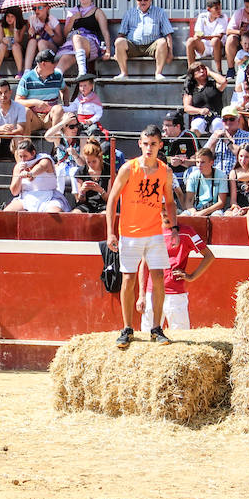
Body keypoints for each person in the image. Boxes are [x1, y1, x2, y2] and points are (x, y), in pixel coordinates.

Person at [106, 125, 178, 348]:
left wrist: (173, 228)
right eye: (145, 144)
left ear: (160, 145)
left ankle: (156, 328)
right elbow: (112, 200)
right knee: (128, 280)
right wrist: (110, 231)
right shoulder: (129, 168)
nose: (149, 148)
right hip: (129, 233)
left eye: (153, 144)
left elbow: (170, 201)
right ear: (140, 144)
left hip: (155, 232)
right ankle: (127, 328)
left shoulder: (165, 171)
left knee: (158, 280)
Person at [135, 223, 213, 333]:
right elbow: (144, 264)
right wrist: (141, 295)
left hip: (175, 294)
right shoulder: (150, 230)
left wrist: (192, 276)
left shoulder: (187, 232)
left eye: (168, 208)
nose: (165, 212)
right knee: (148, 336)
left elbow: (209, 256)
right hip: (152, 293)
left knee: (181, 337)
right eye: (162, 208)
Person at [114, 0, 174, 81]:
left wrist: (170, 53)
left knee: (162, 42)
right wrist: (116, 51)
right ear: (136, 0)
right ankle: (124, 73)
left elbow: (168, 34)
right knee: (119, 41)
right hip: (133, 46)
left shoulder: (160, 12)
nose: (142, 1)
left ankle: (158, 73)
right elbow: (121, 33)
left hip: (152, 46)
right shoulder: (129, 13)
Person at [186, 0, 228, 72]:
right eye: (216, 9)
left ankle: (219, 71)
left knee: (215, 41)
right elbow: (198, 32)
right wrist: (198, 36)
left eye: (220, 8)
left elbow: (219, 36)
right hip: (204, 46)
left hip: (218, 47)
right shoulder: (202, 16)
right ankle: (191, 71)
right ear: (209, 9)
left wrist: (203, 37)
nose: (219, 11)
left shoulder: (223, 17)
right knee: (190, 41)